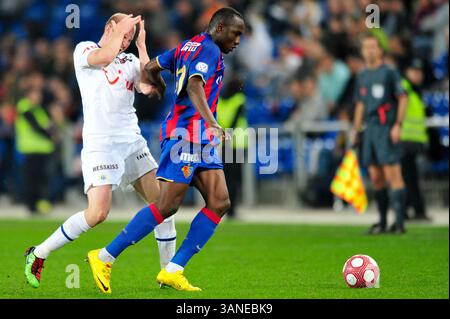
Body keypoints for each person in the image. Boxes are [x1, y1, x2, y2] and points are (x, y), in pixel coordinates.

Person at [86, 7, 245, 292]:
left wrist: (158, 84)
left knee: (220, 202)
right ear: (220, 28)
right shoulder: (208, 50)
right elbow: (195, 84)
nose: (237, 41)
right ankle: (104, 256)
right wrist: (212, 122)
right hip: (185, 136)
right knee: (166, 206)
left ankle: (173, 269)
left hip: (199, 139)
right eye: (235, 34)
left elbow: (152, 66)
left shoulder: (187, 45)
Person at [24, 14, 177, 292]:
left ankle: (168, 274)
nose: (125, 43)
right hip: (101, 144)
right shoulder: (84, 50)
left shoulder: (130, 60)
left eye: (129, 39)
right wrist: (122, 31)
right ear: (110, 28)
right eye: (124, 36)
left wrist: (141, 48)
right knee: (97, 214)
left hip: (132, 141)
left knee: (165, 205)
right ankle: (38, 253)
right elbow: (106, 55)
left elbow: (147, 86)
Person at [351, 34, 408, 235]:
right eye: (366, 47)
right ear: (362, 51)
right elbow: (360, 104)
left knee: (393, 173)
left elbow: (403, 98)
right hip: (370, 130)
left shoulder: (389, 73)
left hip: (386, 127)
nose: (369, 51)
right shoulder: (362, 75)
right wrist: (356, 130)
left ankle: (400, 223)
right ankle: (383, 221)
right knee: (376, 176)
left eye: (373, 47)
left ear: (380, 50)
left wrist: (397, 125)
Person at [15, 87, 56, 214]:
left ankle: (39, 205)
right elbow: (37, 127)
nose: (39, 97)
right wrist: (50, 135)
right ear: (28, 95)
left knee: (41, 179)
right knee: (32, 179)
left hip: (43, 149)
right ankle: (31, 206)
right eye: (36, 93)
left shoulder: (39, 109)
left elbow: (49, 125)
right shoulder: (25, 107)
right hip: (31, 149)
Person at [400, 59, 430, 221]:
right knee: (407, 179)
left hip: (413, 141)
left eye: (420, 72)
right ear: (407, 72)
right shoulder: (404, 87)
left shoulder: (416, 91)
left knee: (411, 178)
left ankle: (413, 211)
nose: (418, 75)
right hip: (404, 140)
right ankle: (407, 211)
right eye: (415, 71)